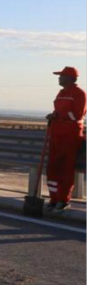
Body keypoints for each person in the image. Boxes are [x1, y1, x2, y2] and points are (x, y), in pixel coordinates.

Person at [45, 67, 86, 212]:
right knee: (52, 168)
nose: (59, 78)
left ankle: (63, 200)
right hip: (56, 135)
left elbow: (77, 115)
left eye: (61, 76)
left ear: (69, 78)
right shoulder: (61, 93)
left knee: (65, 168)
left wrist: (57, 116)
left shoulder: (79, 94)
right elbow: (60, 112)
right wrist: (54, 115)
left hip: (70, 136)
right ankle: (53, 198)